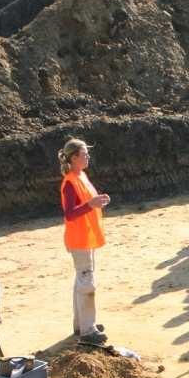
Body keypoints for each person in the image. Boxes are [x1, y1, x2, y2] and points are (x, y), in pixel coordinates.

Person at [59, 138, 110, 344]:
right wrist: (92, 204)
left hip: (84, 237)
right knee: (86, 282)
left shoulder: (80, 176)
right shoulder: (70, 181)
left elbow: (86, 204)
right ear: (74, 157)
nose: (88, 156)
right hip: (79, 239)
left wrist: (96, 202)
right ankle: (88, 331)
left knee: (81, 280)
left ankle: (82, 325)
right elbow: (70, 213)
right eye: (84, 153)